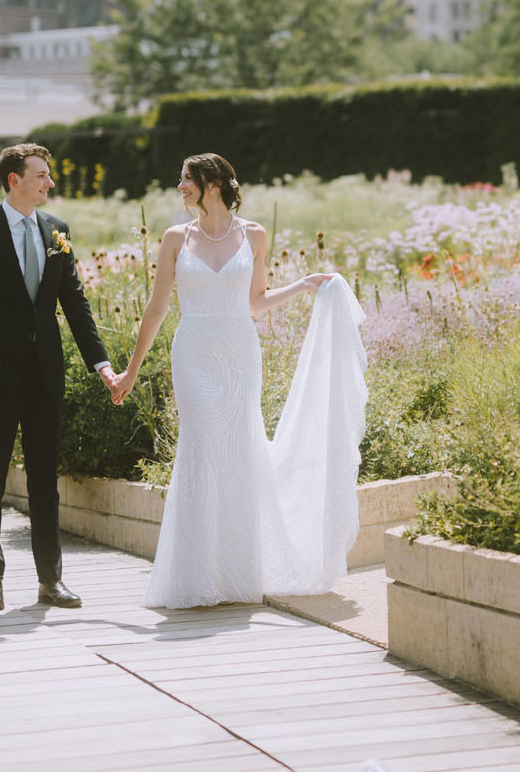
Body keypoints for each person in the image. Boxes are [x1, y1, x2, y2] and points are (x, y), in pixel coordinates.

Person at [110, 152, 369, 609]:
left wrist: (305, 285)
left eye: (186, 180)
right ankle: (195, 575)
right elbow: (156, 308)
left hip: (238, 354)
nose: (180, 187)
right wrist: (131, 369)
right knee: (201, 451)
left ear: (212, 184)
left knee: (240, 452)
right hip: (193, 352)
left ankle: (238, 572)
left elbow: (255, 302)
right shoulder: (174, 238)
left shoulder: (253, 234)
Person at [0, 143, 115, 612]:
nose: (49, 182)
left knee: (43, 478)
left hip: (45, 374)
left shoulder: (58, 231)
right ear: (14, 180)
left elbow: (74, 303)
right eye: (40, 175)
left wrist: (102, 365)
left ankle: (50, 580)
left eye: (47, 175)